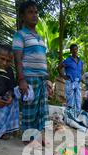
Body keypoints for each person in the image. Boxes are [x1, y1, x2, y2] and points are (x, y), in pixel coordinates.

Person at [13, 1, 52, 146]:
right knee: (30, 108)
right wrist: (21, 79)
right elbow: (18, 59)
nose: (34, 15)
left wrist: (48, 79)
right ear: (22, 16)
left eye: (36, 12)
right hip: (29, 77)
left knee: (42, 110)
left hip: (42, 79)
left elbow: (43, 60)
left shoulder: (40, 38)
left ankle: (39, 136)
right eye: (30, 12)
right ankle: (27, 137)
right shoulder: (20, 35)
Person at [59, 44, 83, 114]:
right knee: (70, 100)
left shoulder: (80, 61)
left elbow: (81, 70)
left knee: (78, 99)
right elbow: (59, 67)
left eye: (76, 49)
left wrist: (80, 78)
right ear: (71, 51)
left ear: (77, 50)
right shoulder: (68, 60)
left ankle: (77, 114)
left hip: (78, 83)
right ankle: (70, 115)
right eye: (73, 49)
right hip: (70, 82)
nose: (75, 51)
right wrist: (63, 76)